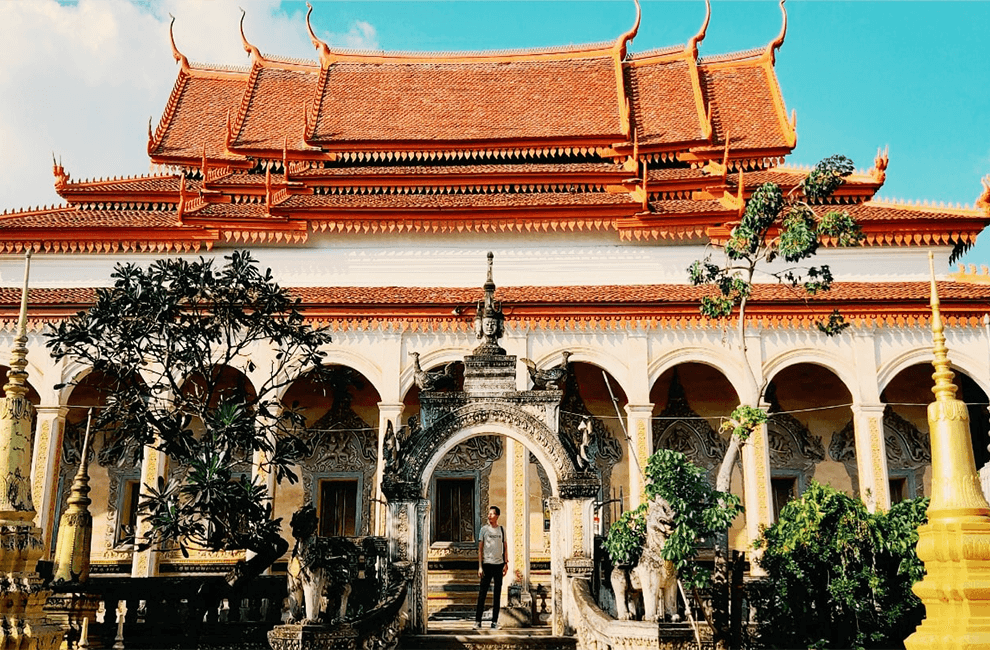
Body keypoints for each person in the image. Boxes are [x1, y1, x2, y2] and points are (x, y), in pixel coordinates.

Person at [474, 505, 508, 630]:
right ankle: (478, 621)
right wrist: (480, 566)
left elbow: (505, 546)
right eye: (488, 514)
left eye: (492, 514)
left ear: (497, 516)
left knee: (497, 595)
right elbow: (480, 549)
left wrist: (506, 563)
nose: (489, 516)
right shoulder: (484, 530)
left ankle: (494, 621)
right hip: (487, 565)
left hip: (499, 565)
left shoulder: (502, 530)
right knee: (482, 594)